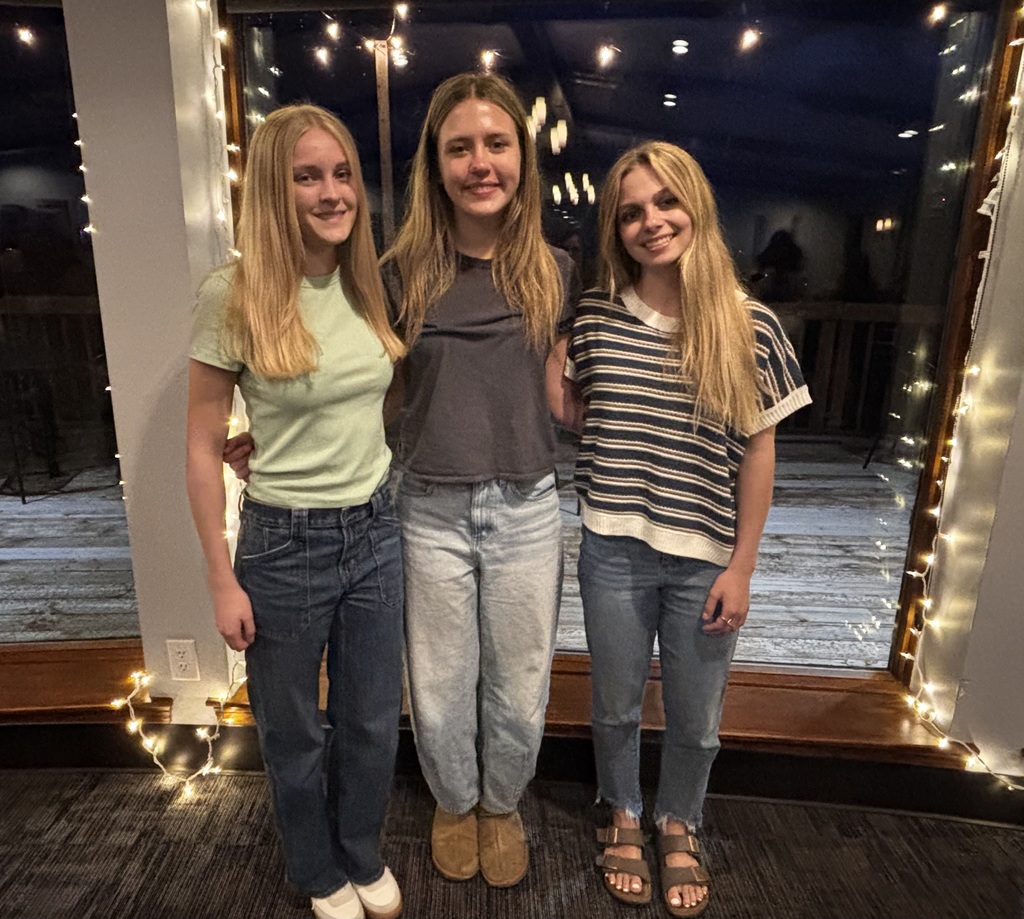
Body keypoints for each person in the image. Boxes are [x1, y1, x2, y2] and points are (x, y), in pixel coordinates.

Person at [558, 141, 810, 917]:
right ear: (614, 228)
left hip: (704, 557)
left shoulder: (751, 326)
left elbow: (758, 451)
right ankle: (623, 810)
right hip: (611, 548)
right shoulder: (596, 314)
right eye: (630, 211)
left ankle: (679, 819)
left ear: (695, 205)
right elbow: (570, 412)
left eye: (665, 202)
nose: (650, 221)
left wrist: (743, 566)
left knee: (698, 718)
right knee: (615, 702)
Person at [186, 103, 406, 919]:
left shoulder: (362, 279)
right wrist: (219, 577)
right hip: (284, 545)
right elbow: (200, 444)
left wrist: (277, 432)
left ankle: (360, 850)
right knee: (293, 732)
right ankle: (315, 869)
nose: (332, 191)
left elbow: (351, 400)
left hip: (376, 528)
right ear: (275, 191)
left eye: (342, 172)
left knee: (373, 721)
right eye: (308, 175)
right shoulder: (233, 293)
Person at [382, 71, 579, 889]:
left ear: (522, 159)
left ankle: (501, 802)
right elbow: (370, 388)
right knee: (436, 680)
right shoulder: (399, 275)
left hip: (529, 505)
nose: (479, 162)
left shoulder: (557, 270)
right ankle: (453, 800)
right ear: (435, 164)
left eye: (496, 144)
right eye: (459, 147)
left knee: (520, 677)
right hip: (427, 506)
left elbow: (571, 391)